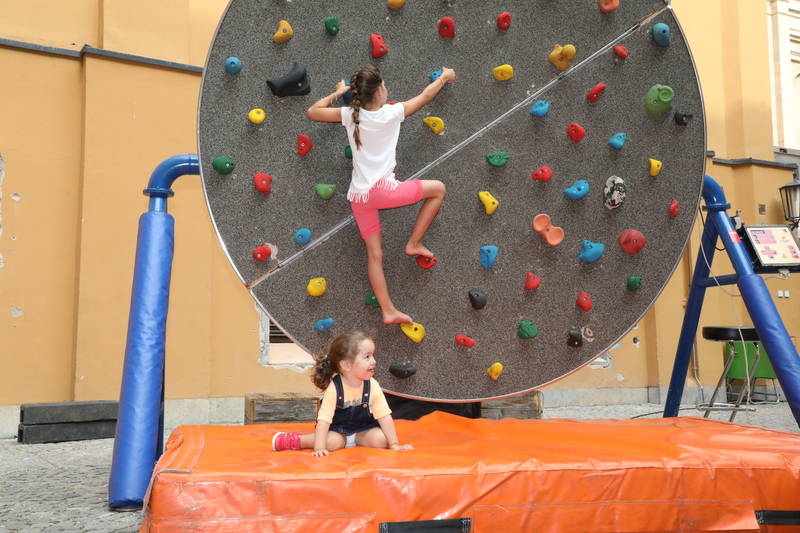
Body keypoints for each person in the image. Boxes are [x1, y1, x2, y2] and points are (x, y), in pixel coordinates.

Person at [306, 65, 455, 325]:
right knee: (439, 189)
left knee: (375, 255)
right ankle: (414, 243)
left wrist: (336, 93)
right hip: (383, 192)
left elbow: (312, 112)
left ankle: (388, 310)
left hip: (358, 196)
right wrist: (444, 78)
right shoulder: (390, 113)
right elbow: (425, 96)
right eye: (384, 86)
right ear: (379, 92)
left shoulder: (350, 115)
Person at [272, 331, 413, 456]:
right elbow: (324, 420)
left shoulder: (372, 385)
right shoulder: (335, 388)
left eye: (373, 356)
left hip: (362, 429)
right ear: (346, 365)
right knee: (332, 443)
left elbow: (384, 415)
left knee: (381, 440)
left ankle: (352, 441)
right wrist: (320, 447)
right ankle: (296, 440)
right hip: (337, 430)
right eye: (367, 357)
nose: (374, 361)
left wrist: (394, 444)